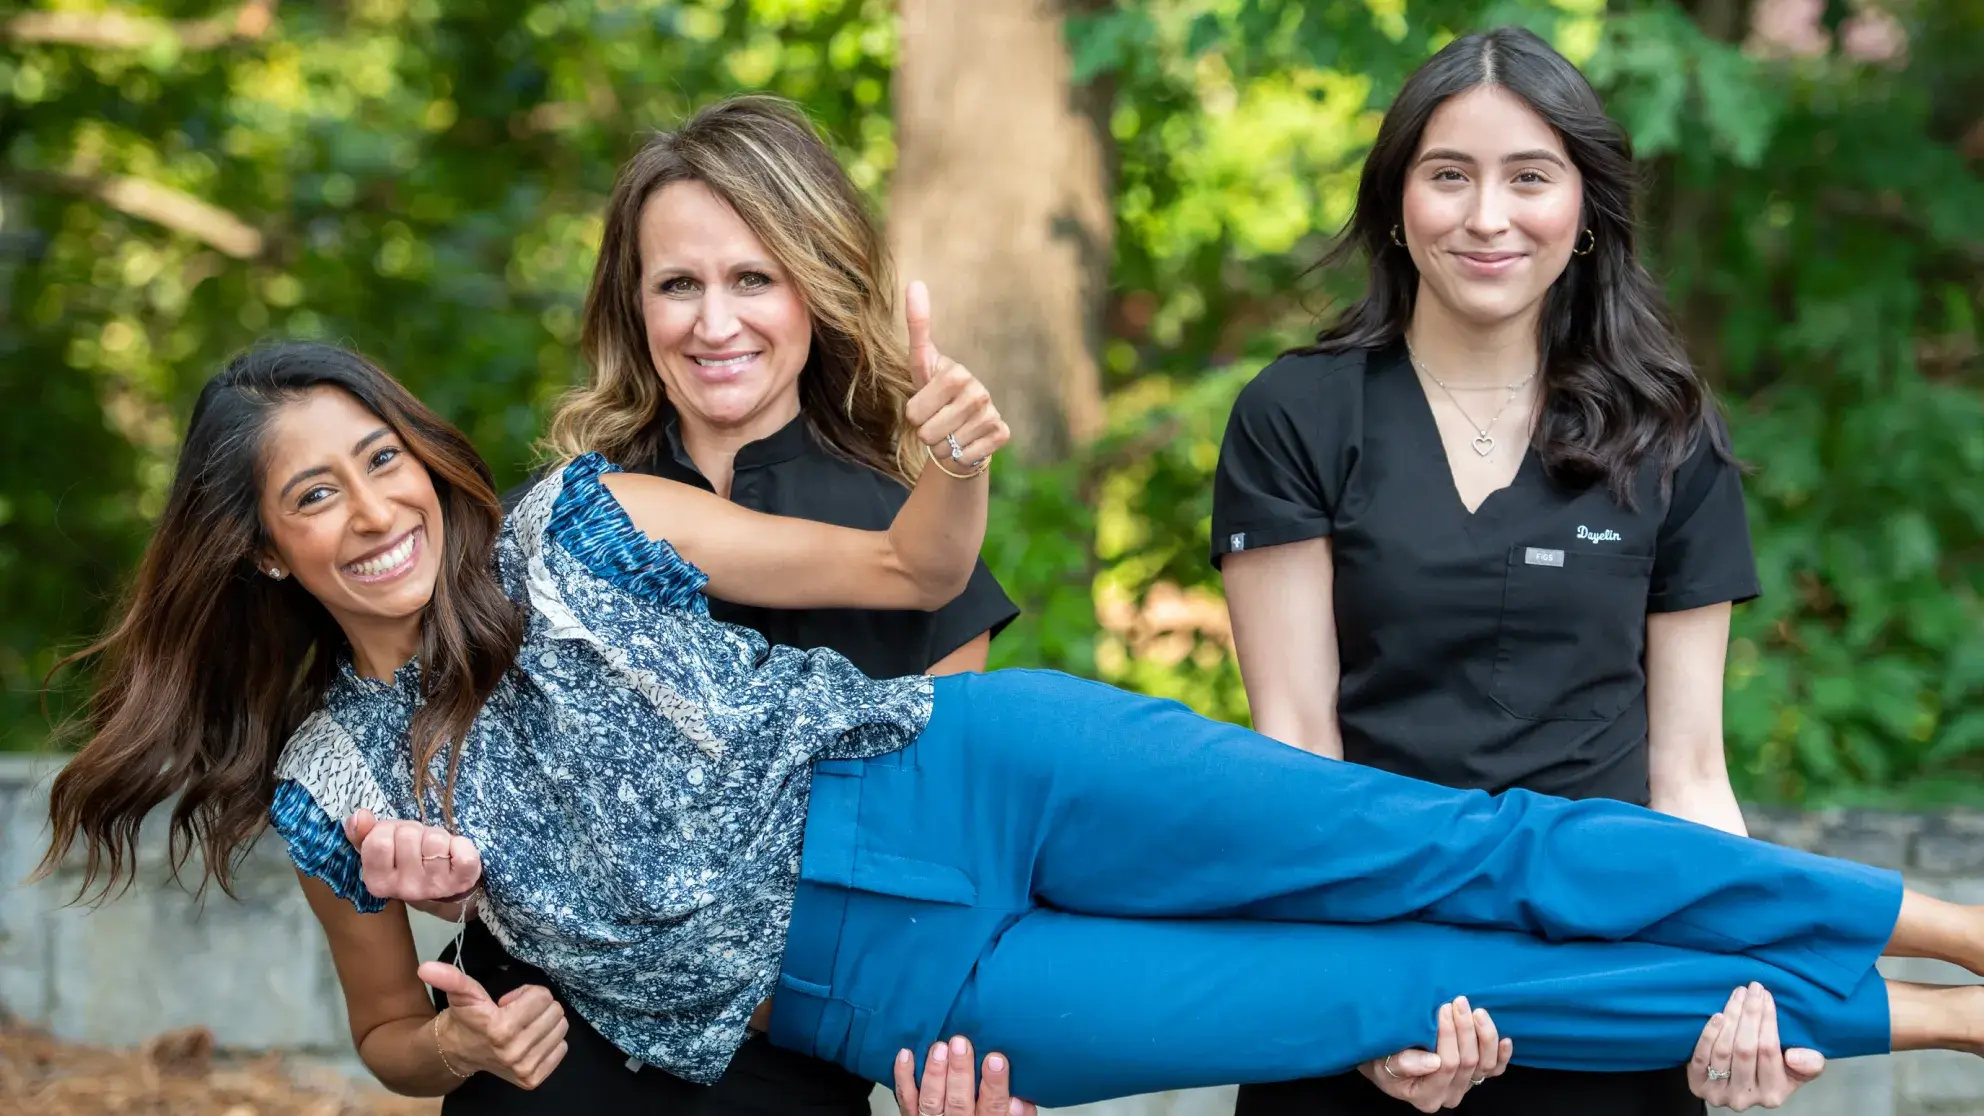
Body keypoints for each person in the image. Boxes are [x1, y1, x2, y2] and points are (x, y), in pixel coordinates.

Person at [40, 339, 1984, 1112]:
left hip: (974, 768)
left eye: (381, 459)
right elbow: (385, 1038)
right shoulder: (330, 788)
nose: (374, 508)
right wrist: (473, 1034)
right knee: (1402, 990)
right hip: (886, 987)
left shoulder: (580, 522)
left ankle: (1964, 942)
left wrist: (952, 470)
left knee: (1464, 844)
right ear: (267, 556)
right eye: (318, 496)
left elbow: (897, 579)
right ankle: (1943, 1025)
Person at [1211, 27, 1823, 1115]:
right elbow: (1297, 750)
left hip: (1609, 978)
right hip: (1373, 973)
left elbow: (1687, 776)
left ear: (1584, 210)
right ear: (1397, 205)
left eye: (1528, 177)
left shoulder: (1669, 433)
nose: (1486, 217)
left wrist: (1735, 981)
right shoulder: (1297, 414)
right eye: (1448, 176)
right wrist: (1360, 999)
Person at [424, 95, 1024, 1116]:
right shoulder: (545, 527)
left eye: (754, 278)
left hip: (783, 1072)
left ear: (817, 288)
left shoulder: (923, 552)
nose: (714, 324)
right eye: (677, 284)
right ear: (633, 304)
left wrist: (955, 1070)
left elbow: (933, 874)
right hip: (548, 1059)